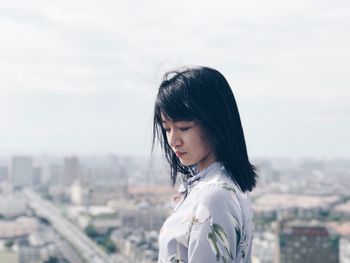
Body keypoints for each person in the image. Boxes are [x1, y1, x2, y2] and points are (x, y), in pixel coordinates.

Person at [152, 66, 257, 263]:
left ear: (214, 123)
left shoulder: (214, 195)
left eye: (184, 128)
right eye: (167, 129)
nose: (173, 140)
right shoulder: (217, 187)